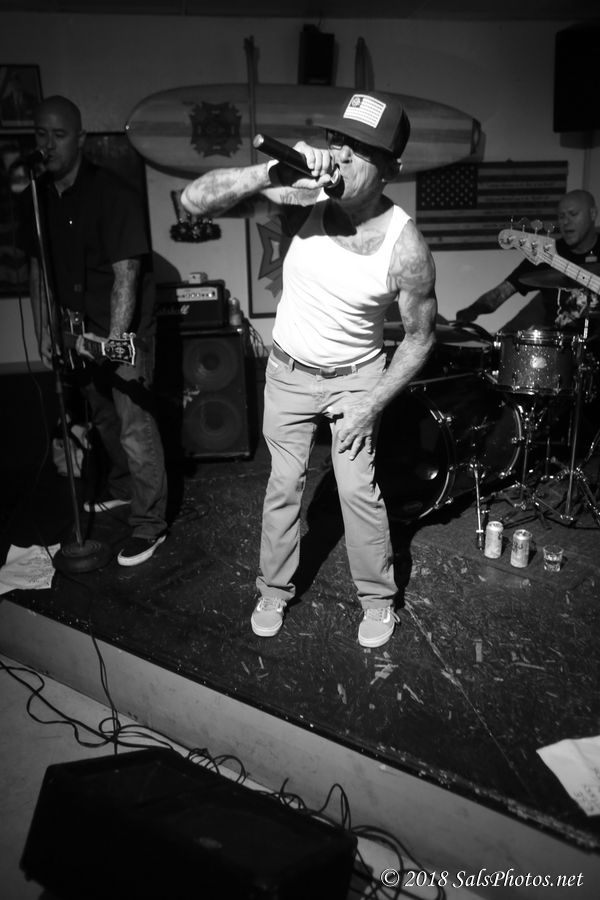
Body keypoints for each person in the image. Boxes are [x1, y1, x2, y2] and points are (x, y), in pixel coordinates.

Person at [181, 90, 437, 648]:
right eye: (338, 140)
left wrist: (371, 404)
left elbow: (420, 340)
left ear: (391, 168)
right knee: (283, 484)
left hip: (357, 380)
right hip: (288, 371)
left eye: (359, 149)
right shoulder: (303, 197)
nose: (340, 154)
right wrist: (272, 170)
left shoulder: (406, 249)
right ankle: (273, 588)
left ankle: (378, 600)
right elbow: (194, 201)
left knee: (357, 491)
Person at [22, 96, 168, 567]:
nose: (48, 145)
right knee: (103, 417)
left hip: (122, 328)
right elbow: (38, 270)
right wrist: (47, 329)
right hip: (76, 326)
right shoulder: (37, 197)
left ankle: (149, 526)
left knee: (134, 425)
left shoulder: (112, 193)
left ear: (80, 138)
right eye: (41, 135)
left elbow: (127, 273)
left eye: (59, 135)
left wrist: (116, 343)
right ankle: (124, 488)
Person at [456, 190, 599, 332]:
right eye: (561, 216)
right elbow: (501, 292)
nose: (566, 222)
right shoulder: (546, 253)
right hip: (556, 342)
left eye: (573, 214)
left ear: (593, 214)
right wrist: (470, 312)